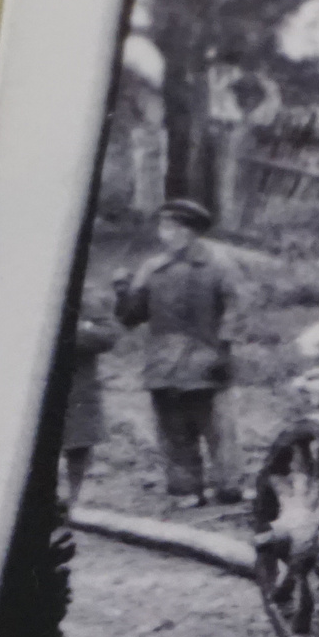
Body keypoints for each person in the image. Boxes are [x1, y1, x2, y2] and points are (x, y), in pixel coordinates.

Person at [113, 197, 244, 508]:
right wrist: (122, 290)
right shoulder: (152, 268)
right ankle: (187, 490)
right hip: (164, 362)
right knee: (174, 427)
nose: (164, 232)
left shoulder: (219, 265)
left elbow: (236, 309)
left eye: (170, 226)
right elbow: (132, 317)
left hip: (206, 358)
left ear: (188, 231)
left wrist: (224, 350)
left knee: (217, 426)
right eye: (163, 225)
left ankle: (229, 487)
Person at [59, 304, 120, 506]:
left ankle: (76, 495)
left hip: (77, 387)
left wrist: (73, 332)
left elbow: (109, 335)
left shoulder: (85, 301)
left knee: (78, 445)